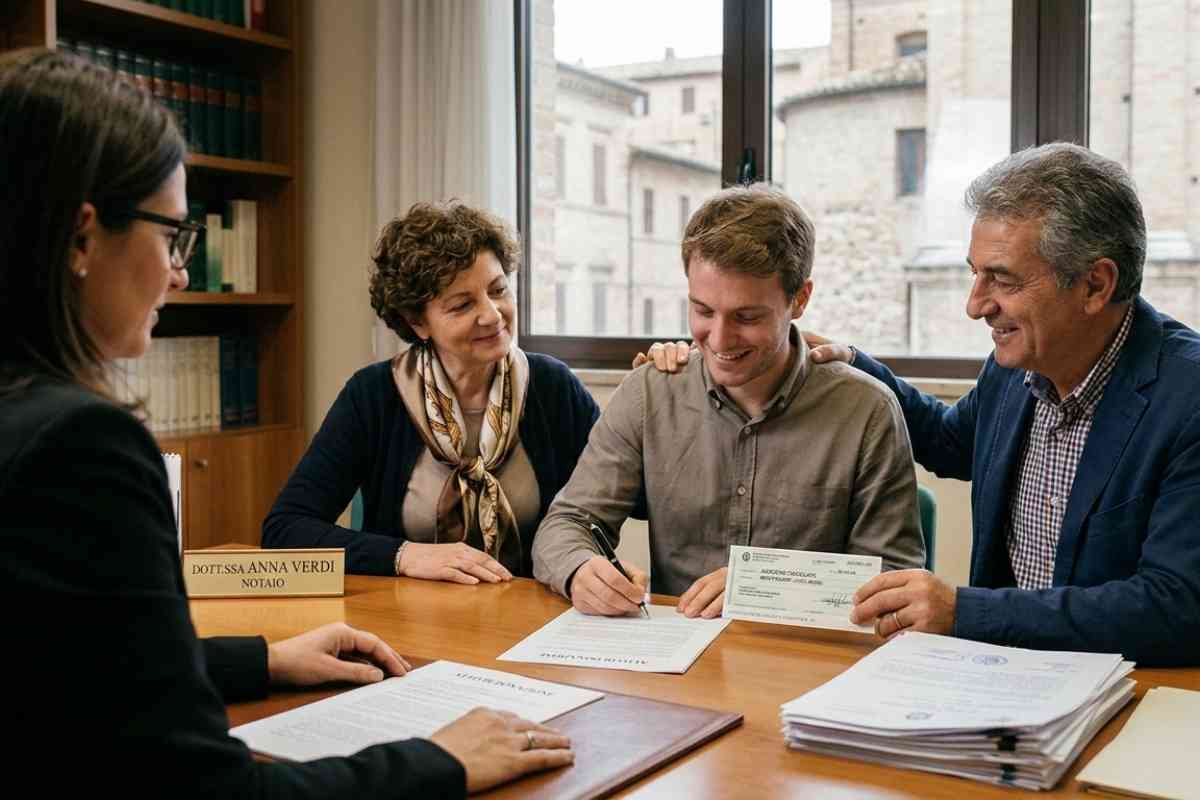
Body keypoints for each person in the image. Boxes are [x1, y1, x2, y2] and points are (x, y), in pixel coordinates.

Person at [0, 48, 571, 796]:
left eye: (497, 291)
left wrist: (259, 660)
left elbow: (64, 664)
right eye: (173, 235)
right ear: (81, 238)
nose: (178, 273)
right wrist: (443, 761)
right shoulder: (81, 446)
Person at [805, 143, 1200, 666]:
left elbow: (1174, 607)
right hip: (1000, 683)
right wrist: (853, 363)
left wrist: (962, 612)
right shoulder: (1017, 367)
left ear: (1095, 284)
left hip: (1131, 698)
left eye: (1003, 279)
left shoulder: (1188, 397)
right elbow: (949, 443)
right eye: (975, 273)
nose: (975, 305)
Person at [532, 183, 926, 619]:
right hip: (674, 660)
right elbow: (565, 524)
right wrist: (580, 570)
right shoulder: (649, 392)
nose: (718, 340)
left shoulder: (866, 410)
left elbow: (894, 579)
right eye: (702, 311)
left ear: (799, 299)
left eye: (747, 317)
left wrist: (760, 588)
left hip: (805, 662)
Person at [262, 201, 606, 585]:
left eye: (499, 290)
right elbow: (285, 530)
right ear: (417, 322)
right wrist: (404, 555)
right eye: (462, 305)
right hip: (407, 622)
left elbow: (636, 497)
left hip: (530, 622)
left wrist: (657, 396)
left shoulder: (552, 387)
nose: (492, 314)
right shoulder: (374, 396)